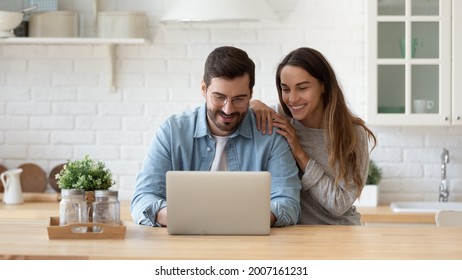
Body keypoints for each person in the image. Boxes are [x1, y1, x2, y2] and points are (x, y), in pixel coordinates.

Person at [131, 46, 301, 227]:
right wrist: (186, 219)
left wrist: (235, 222)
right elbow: (143, 198)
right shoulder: (172, 132)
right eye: (219, 97)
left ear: (251, 94)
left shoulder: (270, 135)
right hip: (185, 244)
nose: (228, 109)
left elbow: (288, 202)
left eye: (239, 99)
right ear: (204, 88)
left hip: (251, 245)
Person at [251, 47, 376, 225]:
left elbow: (338, 204)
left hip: (340, 233)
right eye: (285, 89)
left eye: (302, 88)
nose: (292, 99)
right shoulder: (280, 117)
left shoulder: (353, 133)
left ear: (324, 85)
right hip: (292, 233)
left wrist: (299, 152)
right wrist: (254, 104)